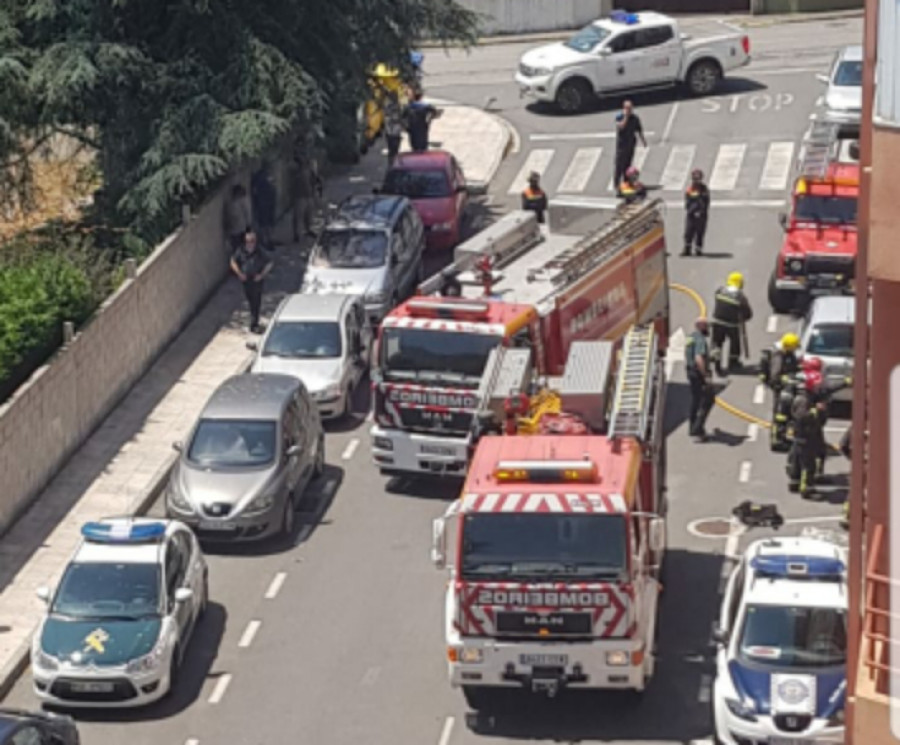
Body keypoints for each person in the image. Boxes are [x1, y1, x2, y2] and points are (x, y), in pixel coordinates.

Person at [759, 332, 802, 451]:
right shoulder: (778, 356)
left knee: (782, 414)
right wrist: (786, 379)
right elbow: (775, 375)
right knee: (780, 415)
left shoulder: (786, 353)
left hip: (783, 388)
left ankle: (780, 437)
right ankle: (777, 440)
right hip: (780, 388)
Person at [230, 230, 274, 334]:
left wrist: (262, 275)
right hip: (246, 280)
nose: (251, 243)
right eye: (248, 241)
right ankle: (254, 321)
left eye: (253, 241)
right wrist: (239, 273)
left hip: (256, 279)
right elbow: (233, 261)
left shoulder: (259, 251)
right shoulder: (241, 250)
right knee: (251, 300)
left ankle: (254, 324)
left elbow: (270, 262)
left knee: (256, 301)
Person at [711, 272, 753, 375]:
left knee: (717, 344)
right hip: (732, 324)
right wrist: (743, 318)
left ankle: (717, 365)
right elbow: (748, 313)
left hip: (717, 322)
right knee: (735, 344)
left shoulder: (720, 291)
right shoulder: (740, 296)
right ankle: (733, 363)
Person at [685, 317, 714, 441]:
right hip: (698, 374)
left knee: (696, 400)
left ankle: (693, 427)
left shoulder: (691, 337)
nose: (708, 329)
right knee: (707, 400)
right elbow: (698, 357)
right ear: (701, 326)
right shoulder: (700, 340)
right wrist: (705, 375)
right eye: (706, 326)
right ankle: (697, 428)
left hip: (691, 372)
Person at [614, 100, 647, 189]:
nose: (629, 110)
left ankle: (626, 182)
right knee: (619, 165)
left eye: (630, 108)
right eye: (627, 108)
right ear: (624, 108)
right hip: (622, 145)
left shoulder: (635, 118)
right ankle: (616, 184)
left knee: (628, 164)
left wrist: (643, 140)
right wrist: (626, 116)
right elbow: (621, 126)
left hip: (631, 143)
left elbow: (639, 130)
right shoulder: (620, 116)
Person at [683, 169, 710, 257]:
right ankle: (687, 248)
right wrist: (690, 211)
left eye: (698, 179)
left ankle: (698, 249)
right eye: (694, 179)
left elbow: (705, 203)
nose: (696, 181)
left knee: (699, 232)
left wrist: (700, 212)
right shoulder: (690, 189)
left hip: (701, 215)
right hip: (691, 214)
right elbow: (687, 201)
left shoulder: (704, 190)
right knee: (688, 231)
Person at [251, 167, 277, 249]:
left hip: (267, 204)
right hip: (264, 205)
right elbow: (255, 193)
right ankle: (266, 241)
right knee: (265, 224)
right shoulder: (261, 180)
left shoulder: (263, 180)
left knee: (267, 223)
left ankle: (268, 240)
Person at [224, 183, 252, 252]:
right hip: (240, 229)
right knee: (242, 246)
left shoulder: (229, 203)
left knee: (237, 247)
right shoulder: (242, 201)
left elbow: (226, 218)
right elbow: (247, 213)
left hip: (234, 230)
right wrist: (248, 225)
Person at [383, 90, 404, 169]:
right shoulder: (395, 106)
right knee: (394, 150)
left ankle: (391, 165)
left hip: (390, 131)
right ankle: (393, 164)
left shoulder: (388, 106)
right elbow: (397, 118)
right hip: (394, 131)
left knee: (392, 150)